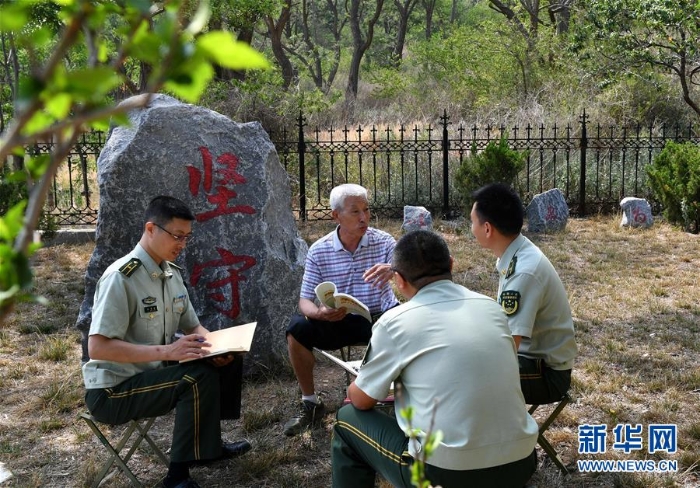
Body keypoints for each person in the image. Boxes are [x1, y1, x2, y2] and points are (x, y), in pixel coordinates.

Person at [331, 230, 538, 488]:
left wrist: (358, 382)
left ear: (399, 280)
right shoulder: (492, 308)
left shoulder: (394, 323)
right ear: (451, 264)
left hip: (445, 473)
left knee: (347, 419)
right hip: (521, 462)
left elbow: (361, 400)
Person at [82, 196, 251, 488]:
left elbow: (193, 325)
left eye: (187, 237)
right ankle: (176, 478)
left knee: (224, 360)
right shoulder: (121, 278)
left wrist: (219, 347)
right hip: (113, 390)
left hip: (150, 375)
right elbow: (97, 347)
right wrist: (169, 351)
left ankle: (208, 446)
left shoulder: (171, 274)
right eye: (176, 236)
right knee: (195, 378)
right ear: (150, 229)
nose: (182, 244)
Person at [284, 183, 399, 436]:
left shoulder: (384, 242)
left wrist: (394, 269)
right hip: (338, 319)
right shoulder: (319, 250)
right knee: (296, 327)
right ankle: (310, 402)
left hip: (381, 318)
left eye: (366, 210)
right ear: (336, 215)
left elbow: (412, 271)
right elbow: (304, 301)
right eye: (355, 211)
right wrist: (320, 313)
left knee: (407, 323)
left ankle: (405, 396)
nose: (363, 218)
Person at [470, 182, 578, 405]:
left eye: (473, 222)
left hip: (547, 374)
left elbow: (508, 345)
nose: (471, 229)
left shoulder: (523, 271)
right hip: (532, 361)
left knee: (462, 375)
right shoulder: (516, 253)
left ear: (488, 229)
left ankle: (498, 436)